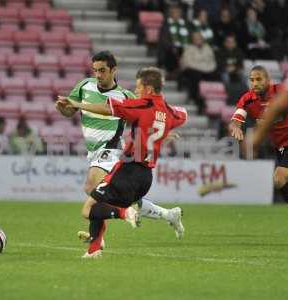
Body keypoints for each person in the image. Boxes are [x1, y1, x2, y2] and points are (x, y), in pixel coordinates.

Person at [59, 67, 188, 258]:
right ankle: (94, 250)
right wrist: (163, 134)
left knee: (89, 209)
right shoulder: (169, 111)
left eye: (138, 87)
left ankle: (126, 214)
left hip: (128, 170)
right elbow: (183, 114)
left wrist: (78, 105)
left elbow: (106, 108)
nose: (136, 91)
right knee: (99, 201)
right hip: (146, 178)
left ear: (149, 89)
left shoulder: (140, 105)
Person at [229, 65, 288, 239]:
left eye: (259, 79)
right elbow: (237, 117)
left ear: (268, 80)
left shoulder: (281, 92)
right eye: (252, 79)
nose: (255, 83)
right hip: (281, 148)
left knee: (279, 178)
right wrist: (236, 127)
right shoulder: (248, 99)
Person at [180, 31, 218, 114]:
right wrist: (202, 67)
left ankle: (211, 101)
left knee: (215, 75)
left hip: (207, 70)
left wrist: (206, 68)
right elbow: (188, 63)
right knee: (196, 76)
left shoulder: (208, 48)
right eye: (195, 38)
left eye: (199, 38)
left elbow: (212, 62)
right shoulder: (189, 48)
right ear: (192, 40)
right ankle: (198, 101)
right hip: (192, 70)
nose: (198, 40)